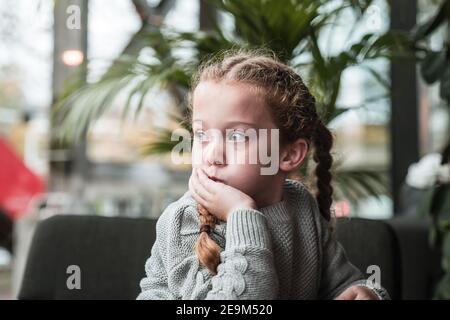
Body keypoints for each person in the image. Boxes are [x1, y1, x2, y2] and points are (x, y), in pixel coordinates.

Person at [137, 51, 389, 300]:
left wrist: (367, 293)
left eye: (236, 136)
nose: (212, 155)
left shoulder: (300, 206)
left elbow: (344, 283)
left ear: (289, 155)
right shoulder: (186, 218)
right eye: (202, 135)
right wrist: (241, 214)